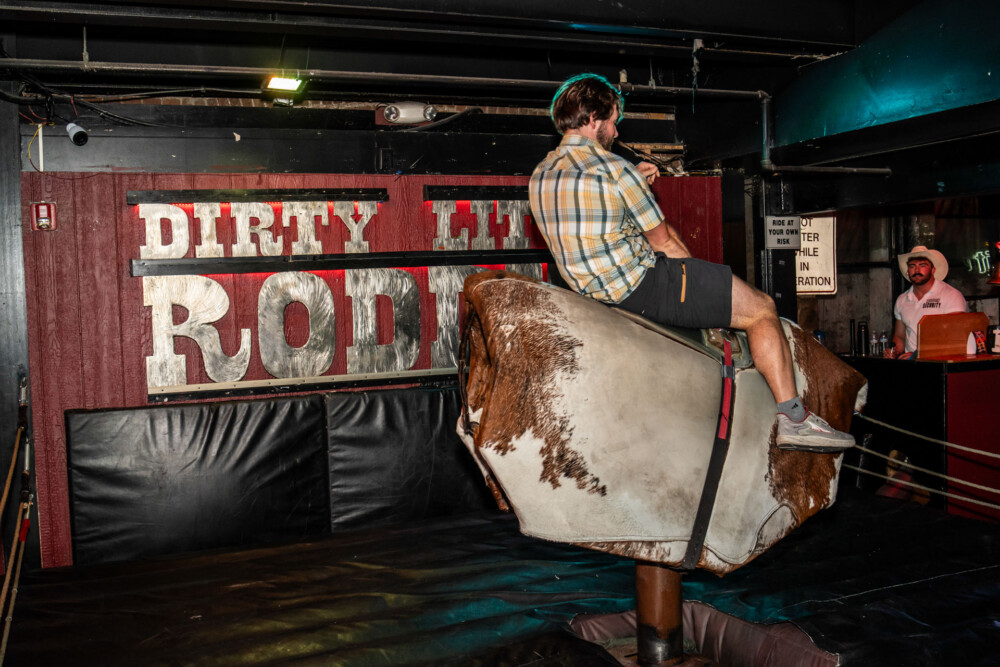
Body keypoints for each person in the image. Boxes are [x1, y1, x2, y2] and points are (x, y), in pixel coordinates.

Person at [529, 73, 853, 453]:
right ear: (595, 118)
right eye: (614, 120)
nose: (615, 132)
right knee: (761, 309)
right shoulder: (613, 169)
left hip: (591, 292)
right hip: (642, 285)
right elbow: (665, 242)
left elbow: (590, 216)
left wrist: (634, 181)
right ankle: (794, 418)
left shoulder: (542, 173)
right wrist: (700, 285)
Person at [884, 245, 967, 359]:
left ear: (933, 270)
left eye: (922, 265)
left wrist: (917, 354)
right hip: (912, 365)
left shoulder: (951, 295)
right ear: (908, 271)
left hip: (939, 364)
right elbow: (900, 336)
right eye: (912, 266)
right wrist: (894, 352)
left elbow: (954, 337)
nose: (917, 270)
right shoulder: (902, 299)